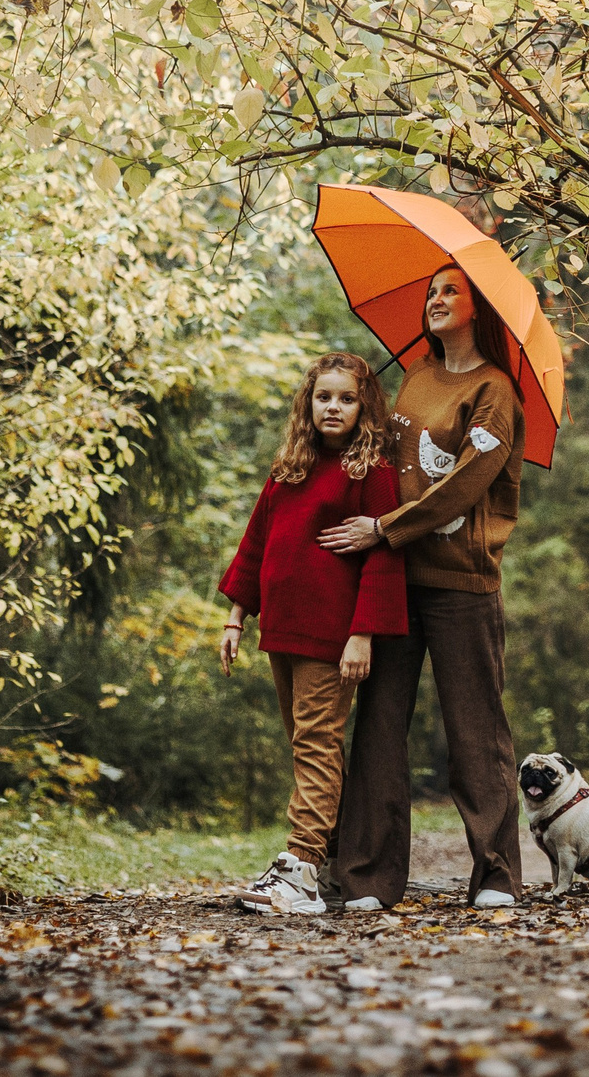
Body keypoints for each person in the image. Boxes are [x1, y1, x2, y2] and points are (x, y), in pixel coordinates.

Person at [318, 264, 525, 910]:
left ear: (477, 304)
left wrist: (384, 526)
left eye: (450, 291)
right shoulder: (414, 375)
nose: (435, 300)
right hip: (395, 579)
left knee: (476, 731)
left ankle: (496, 875)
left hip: (462, 582)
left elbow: (465, 482)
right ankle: (366, 877)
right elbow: (389, 461)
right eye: (431, 291)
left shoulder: (496, 391)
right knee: (378, 727)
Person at [216, 351, 406, 915]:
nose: (334, 407)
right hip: (281, 629)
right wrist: (234, 616)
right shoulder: (289, 469)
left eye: (347, 398)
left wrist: (362, 633)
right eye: (324, 396)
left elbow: (382, 561)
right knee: (307, 747)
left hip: (332, 635)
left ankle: (299, 868)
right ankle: (324, 867)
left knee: (316, 744)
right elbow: (256, 545)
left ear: (364, 407)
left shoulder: (372, 473)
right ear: (309, 402)